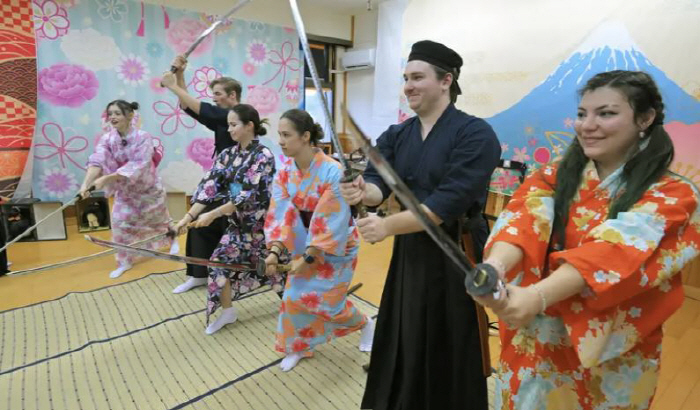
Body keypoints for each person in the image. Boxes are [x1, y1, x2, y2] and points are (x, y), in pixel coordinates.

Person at [473, 70, 700, 409]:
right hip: (536, 342)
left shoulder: (674, 194)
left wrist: (536, 297)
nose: (587, 124)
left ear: (645, 118)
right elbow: (522, 219)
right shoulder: (553, 174)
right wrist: (494, 268)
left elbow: (616, 251)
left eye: (606, 113)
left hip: (608, 357)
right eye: (582, 114)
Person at [340, 40, 501, 410]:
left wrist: (387, 227)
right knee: (406, 328)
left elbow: (446, 204)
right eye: (406, 78)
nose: (408, 86)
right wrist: (363, 192)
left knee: (451, 335)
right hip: (412, 249)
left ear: (446, 81)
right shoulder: (398, 134)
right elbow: (380, 183)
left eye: (417, 77)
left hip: (456, 249)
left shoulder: (476, 135)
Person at [264, 109, 375, 372]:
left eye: (286, 135)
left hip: (336, 247)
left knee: (328, 303)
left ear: (305, 136)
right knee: (293, 297)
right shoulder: (284, 173)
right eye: (279, 134)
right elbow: (282, 215)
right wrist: (274, 252)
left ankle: (366, 323)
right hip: (303, 243)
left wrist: (310, 257)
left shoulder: (332, 172)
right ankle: (299, 346)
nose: (280, 140)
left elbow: (330, 221)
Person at [172, 104, 283, 334]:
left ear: (249, 126)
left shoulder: (263, 155)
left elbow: (248, 194)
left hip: (261, 229)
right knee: (218, 263)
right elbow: (210, 187)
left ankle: (299, 306)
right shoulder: (227, 155)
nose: (229, 130)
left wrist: (212, 214)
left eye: (234, 125)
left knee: (279, 272)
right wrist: (188, 216)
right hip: (237, 227)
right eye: (228, 125)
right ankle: (228, 312)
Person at [162, 57, 242, 294]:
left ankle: (231, 272)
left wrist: (172, 84)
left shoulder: (238, 115)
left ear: (233, 96)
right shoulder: (223, 119)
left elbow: (200, 106)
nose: (214, 98)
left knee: (220, 224)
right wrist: (181, 77)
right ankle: (198, 273)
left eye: (218, 94)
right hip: (220, 179)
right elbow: (191, 107)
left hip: (239, 185)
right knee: (199, 222)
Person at [80, 100, 176, 278]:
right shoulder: (107, 139)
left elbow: (140, 164)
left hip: (148, 189)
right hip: (125, 192)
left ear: (130, 115)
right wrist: (86, 184)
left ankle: (172, 238)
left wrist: (107, 178)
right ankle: (124, 261)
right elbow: (97, 160)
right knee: (119, 224)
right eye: (110, 114)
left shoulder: (143, 137)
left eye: (117, 113)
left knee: (159, 219)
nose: (113, 117)